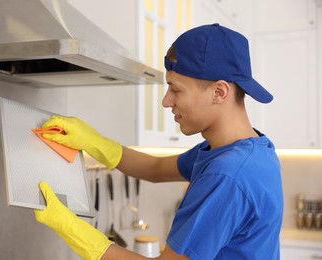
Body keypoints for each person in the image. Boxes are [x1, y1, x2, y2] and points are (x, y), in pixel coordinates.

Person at [33, 23, 283, 260]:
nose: (166, 101)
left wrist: (71, 228)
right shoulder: (243, 150)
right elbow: (155, 169)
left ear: (219, 92)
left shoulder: (228, 174)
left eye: (176, 90)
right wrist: (94, 142)